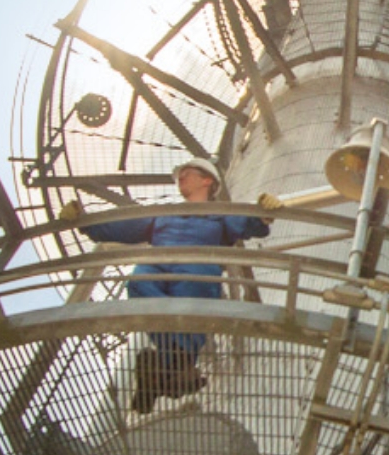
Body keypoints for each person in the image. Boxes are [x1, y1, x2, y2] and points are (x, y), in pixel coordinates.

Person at [59, 158, 282, 413]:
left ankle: (162, 372)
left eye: (186, 174)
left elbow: (245, 224)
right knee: (139, 284)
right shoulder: (163, 213)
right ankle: (177, 368)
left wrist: (263, 214)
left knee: (193, 293)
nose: (181, 179)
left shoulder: (221, 214)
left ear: (207, 180)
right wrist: (85, 222)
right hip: (159, 262)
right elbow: (125, 227)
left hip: (197, 263)